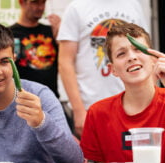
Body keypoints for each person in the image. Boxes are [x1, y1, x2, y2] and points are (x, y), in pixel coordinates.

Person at [0, 22, 84, 163]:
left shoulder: (41, 95)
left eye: (4, 62)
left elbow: (74, 162)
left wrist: (42, 123)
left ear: (14, 59)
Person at [57, 0, 150, 137]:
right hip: (92, 106)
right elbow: (65, 62)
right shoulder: (76, 7)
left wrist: (149, 101)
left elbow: (146, 52)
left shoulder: (133, 5)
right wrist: (79, 111)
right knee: (97, 157)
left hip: (134, 105)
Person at [80, 22, 165, 163]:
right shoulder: (97, 113)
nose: (131, 57)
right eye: (121, 54)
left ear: (153, 59)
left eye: (138, 49)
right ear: (113, 70)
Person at [10, 0, 61, 98]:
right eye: (35, 2)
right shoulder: (9, 34)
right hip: (21, 101)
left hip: (51, 99)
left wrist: (61, 37)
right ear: (22, 2)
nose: (40, 7)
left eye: (43, 2)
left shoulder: (52, 31)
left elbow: (68, 63)